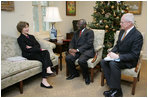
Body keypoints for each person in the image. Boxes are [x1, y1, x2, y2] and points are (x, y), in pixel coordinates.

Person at [100, 13, 143, 97]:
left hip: (129, 61)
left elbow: (134, 55)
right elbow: (117, 45)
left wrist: (118, 56)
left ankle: (118, 91)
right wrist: (111, 53)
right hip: (119, 57)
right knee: (103, 61)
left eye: (122, 22)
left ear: (129, 23)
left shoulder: (137, 36)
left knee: (113, 63)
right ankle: (112, 87)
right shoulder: (122, 32)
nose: (120, 24)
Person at [17, 21, 55, 89]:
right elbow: (26, 49)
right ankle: (47, 72)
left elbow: (38, 45)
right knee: (44, 57)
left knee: (45, 52)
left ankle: (45, 77)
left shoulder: (31, 36)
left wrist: (32, 47)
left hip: (35, 52)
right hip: (28, 55)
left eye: (27, 27)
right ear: (21, 29)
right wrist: (37, 49)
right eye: (25, 27)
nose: (27, 28)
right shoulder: (20, 39)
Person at [66, 19, 95, 85]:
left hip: (87, 51)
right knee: (68, 58)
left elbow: (89, 44)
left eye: (79, 24)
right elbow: (72, 42)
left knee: (81, 61)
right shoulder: (76, 32)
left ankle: (86, 76)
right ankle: (74, 73)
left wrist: (77, 50)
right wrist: (70, 49)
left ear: (84, 25)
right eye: (77, 24)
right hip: (77, 51)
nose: (77, 25)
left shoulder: (90, 32)